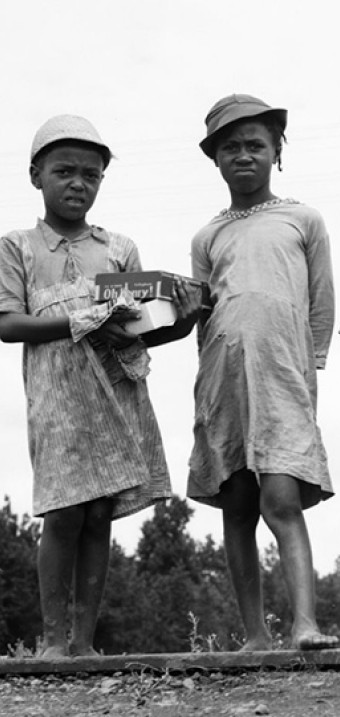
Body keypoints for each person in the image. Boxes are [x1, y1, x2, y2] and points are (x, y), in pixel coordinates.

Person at [0, 115, 200, 658]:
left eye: (90, 174)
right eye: (64, 171)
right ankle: (51, 641)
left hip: (115, 388)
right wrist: (78, 321)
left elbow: (140, 334)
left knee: (97, 512)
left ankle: (84, 643)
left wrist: (181, 320)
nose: (77, 184)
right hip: (57, 392)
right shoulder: (17, 247)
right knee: (64, 509)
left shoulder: (119, 251)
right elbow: (7, 324)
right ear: (36, 175)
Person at [187, 94, 338, 650]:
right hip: (223, 379)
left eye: (255, 144)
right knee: (238, 505)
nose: (244, 155)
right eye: (231, 147)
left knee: (281, 497)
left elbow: (321, 303)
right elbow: (201, 315)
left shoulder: (303, 219)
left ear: (277, 151)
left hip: (285, 376)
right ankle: (254, 635)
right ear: (215, 159)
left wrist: (311, 364)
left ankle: (305, 624)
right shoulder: (207, 236)